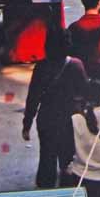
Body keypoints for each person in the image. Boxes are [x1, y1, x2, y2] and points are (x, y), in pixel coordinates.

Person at [22, 27, 88, 188]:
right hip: (70, 120)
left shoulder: (41, 67)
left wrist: (27, 125)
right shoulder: (76, 65)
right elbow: (85, 94)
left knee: (47, 155)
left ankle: (46, 188)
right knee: (68, 158)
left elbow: (33, 98)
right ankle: (67, 189)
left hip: (46, 119)